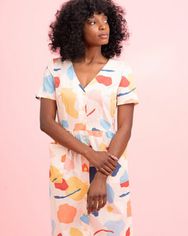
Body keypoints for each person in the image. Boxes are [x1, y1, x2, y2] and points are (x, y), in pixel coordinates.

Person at [35, 0, 139, 235]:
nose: (103, 27)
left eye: (105, 21)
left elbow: (125, 128)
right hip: (66, 170)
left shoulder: (121, 72)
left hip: (109, 163)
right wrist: (89, 154)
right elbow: (46, 123)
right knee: (68, 229)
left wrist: (102, 175)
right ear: (75, 28)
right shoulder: (55, 71)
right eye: (93, 21)